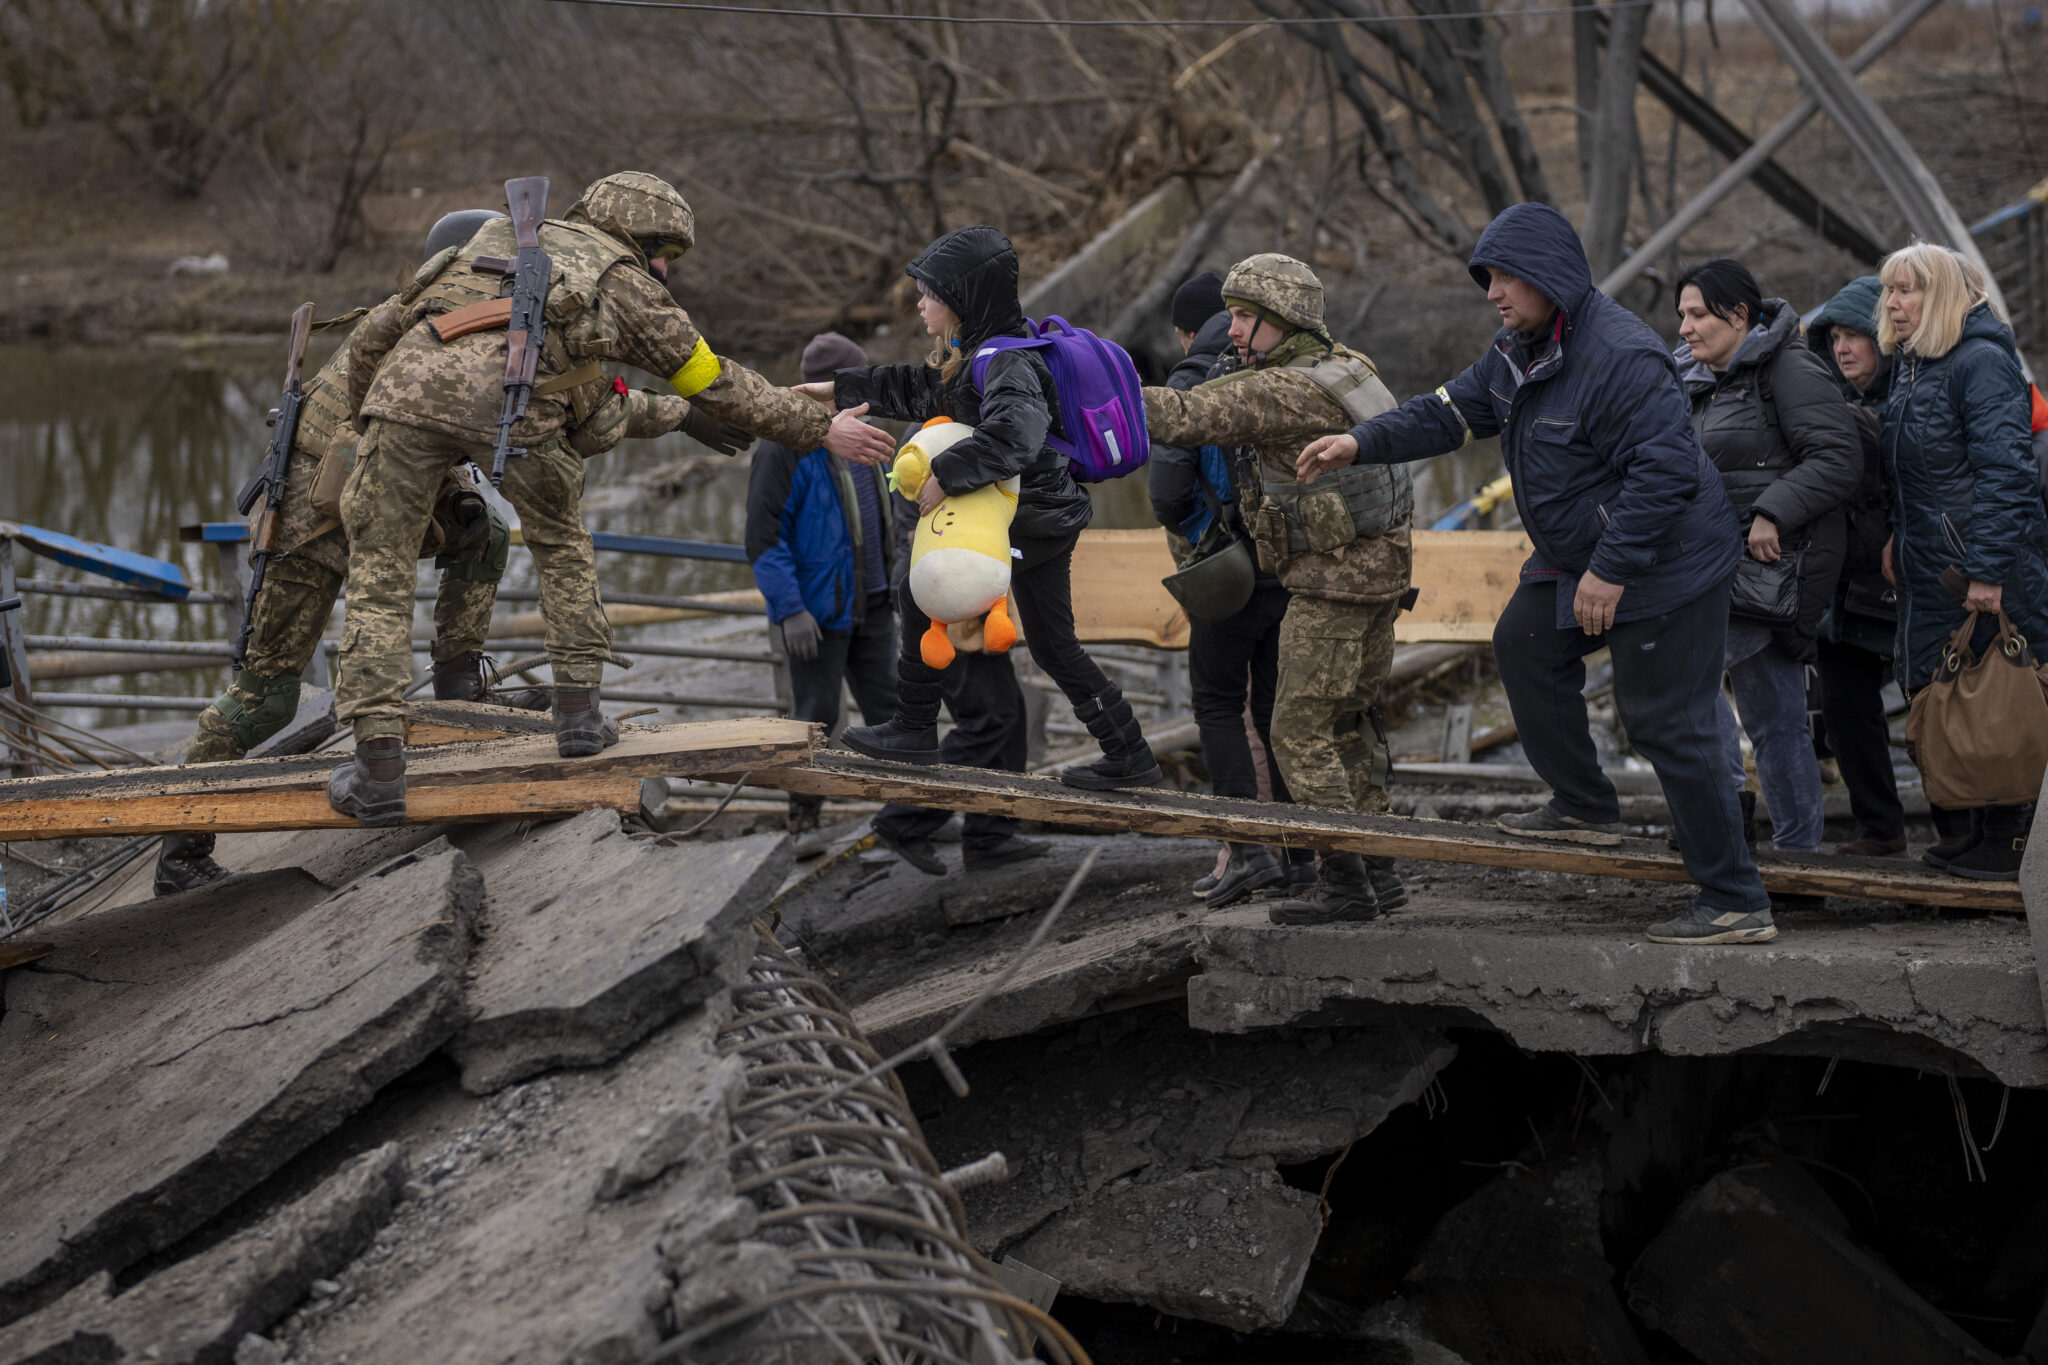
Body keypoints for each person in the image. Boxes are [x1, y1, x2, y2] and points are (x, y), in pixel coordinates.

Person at [155, 209, 695, 893]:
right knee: (266, 698)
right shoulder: (430, 328)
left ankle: (457, 684)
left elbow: (579, 402)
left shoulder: (451, 328)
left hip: (365, 497)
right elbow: (596, 413)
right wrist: (686, 409)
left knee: (482, 529)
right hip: (306, 522)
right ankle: (182, 846)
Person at [332, 171, 893, 825]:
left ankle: (377, 767)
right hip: (520, 414)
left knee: (378, 578)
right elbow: (714, 381)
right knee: (563, 546)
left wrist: (371, 415)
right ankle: (579, 718)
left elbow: (376, 333)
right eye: (663, 253)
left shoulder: (489, 234)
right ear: (633, 237)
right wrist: (823, 427)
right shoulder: (623, 282)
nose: (664, 268)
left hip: (398, 399)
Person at [1297, 202, 1776, 946]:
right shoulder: (1516, 350)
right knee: (1523, 642)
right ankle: (1584, 805)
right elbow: (1446, 413)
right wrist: (1358, 443)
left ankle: (1736, 897)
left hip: (1669, 563)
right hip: (1579, 556)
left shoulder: (1620, 355)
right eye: (1486, 277)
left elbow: (1669, 470)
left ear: (1551, 276)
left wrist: (1610, 572)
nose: (1493, 291)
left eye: (1506, 277)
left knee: (1666, 722)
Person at [806, 224, 1161, 792]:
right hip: (1045, 516)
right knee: (1053, 644)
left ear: (961, 299)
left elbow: (1016, 435)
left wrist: (945, 474)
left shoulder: (1004, 361)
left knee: (916, 588)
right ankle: (1130, 753)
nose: (920, 304)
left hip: (1032, 518)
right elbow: (924, 388)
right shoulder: (986, 351)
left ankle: (915, 729)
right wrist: (842, 389)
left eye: (929, 294)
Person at [1145, 254, 1414, 925]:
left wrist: (1083, 388)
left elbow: (1183, 416)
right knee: (1349, 726)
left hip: (1333, 583)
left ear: (1283, 317)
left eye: (1242, 316)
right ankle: (1378, 870)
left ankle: (1345, 880)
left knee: (1294, 729)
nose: (1230, 329)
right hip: (1378, 572)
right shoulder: (1348, 365)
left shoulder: (1287, 389)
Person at [1674, 259, 1860, 875]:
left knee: (1688, 680)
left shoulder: (1789, 367)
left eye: (1697, 314)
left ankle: (1724, 814)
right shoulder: (1696, 377)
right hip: (1714, 564)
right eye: (1681, 314)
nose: (1685, 328)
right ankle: (1799, 855)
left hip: (1779, 564)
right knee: (1775, 713)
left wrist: (1771, 513)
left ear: (1739, 315)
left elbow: (1837, 458)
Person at [1876, 242, 2048, 880]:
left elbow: (2008, 474)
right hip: (1933, 559)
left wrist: (1988, 570)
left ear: (1942, 296)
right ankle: (1976, 827)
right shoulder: (1915, 365)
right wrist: (1898, 533)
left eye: (1908, 289)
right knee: (1944, 690)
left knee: (1995, 694)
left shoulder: (1979, 362)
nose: (1893, 303)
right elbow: (1912, 471)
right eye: (1889, 290)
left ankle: (2006, 839)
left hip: (1978, 564)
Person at [1146, 271, 1316, 906]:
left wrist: (1206, 533)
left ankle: (1246, 850)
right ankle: (1300, 861)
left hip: (1231, 573)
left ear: (1187, 332)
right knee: (1275, 713)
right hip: (1288, 568)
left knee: (1218, 705)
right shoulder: (1280, 370)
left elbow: (1166, 492)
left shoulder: (1193, 384)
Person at [746, 331, 901, 858]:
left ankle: (906, 818)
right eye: (853, 383)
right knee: (814, 717)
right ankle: (803, 822)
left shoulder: (868, 436)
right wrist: (789, 609)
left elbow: (888, 517)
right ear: (825, 390)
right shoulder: (783, 446)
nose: (866, 393)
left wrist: (899, 579)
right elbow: (762, 539)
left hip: (875, 605)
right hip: (816, 612)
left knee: (893, 713)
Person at [865, 450, 1045, 875]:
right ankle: (903, 821)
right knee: (989, 719)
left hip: (965, 592)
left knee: (1009, 715)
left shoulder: (960, 436)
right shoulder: (935, 443)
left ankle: (990, 833)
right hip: (942, 596)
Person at [1806, 274, 1911, 857]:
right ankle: (1881, 830)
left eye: (1856, 336)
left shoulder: (1917, 397)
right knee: (1847, 710)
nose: (1843, 347)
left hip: (1906, 579)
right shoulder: (1826, 406)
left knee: (1930, 712)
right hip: (1843, 589)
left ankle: (1957, 832)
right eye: (1836, 337)